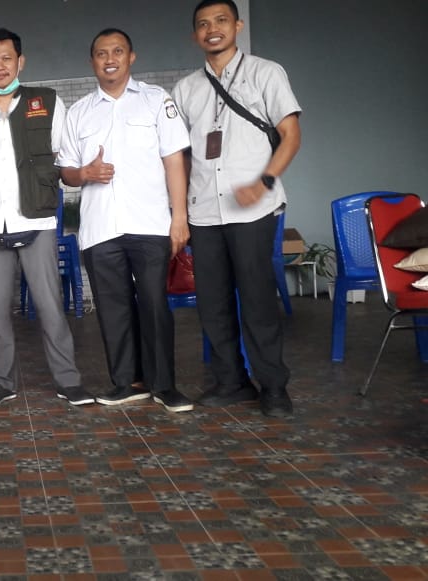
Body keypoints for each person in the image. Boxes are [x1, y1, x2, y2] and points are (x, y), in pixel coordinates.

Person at [171, 0, 301, 418]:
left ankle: (274, 386)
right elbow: (180, 157)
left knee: (258, 300)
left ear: (237, 26)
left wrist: (265, 182)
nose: (212, 29)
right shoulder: (186, 89)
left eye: (221, 20)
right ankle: (232, 382)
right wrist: (179, 213)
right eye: (203, 24)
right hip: (204, 212)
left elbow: (290, 134)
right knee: (213, 303)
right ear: (195, 34)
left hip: (253, 210)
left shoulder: (266, 72)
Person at [58, 29, 193, 412]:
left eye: (117, 51)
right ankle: (125, 382)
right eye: (101, 53)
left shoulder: (156, 100)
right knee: (112, 309)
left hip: (149, 223)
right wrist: (85, 173)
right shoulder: (79, 111)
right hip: (101, 228)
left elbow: (174, 160)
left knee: (154, 305)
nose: (110, 59)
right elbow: (66, 172)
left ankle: (164, 385)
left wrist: (179, 217)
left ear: (131, 57)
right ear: (92, 62)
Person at [0, 28, 89, 407]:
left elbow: (64, 156)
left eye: (7, 58)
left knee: (50, 305)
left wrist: (82, 175)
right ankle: (2, 381)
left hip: (36, 221)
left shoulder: (46, 101)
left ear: (20, 62)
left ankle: (68, 380)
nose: (0, 66)